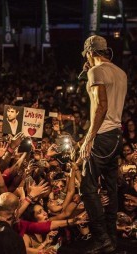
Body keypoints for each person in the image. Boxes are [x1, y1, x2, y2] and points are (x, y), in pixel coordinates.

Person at [79, 35, 127, 253]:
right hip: (117, 135)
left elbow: (101, 106)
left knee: (87, 186)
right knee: (110, 186)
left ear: (90, 52)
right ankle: (111, 238)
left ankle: (101, 238)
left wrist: (89, 137)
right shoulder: (121, 72)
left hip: (102, 134)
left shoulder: (95, 71)